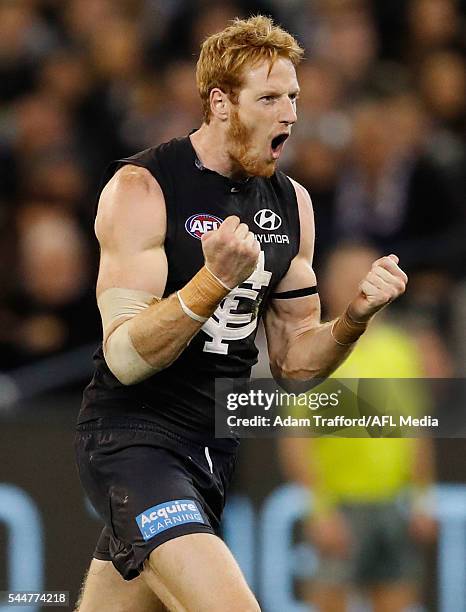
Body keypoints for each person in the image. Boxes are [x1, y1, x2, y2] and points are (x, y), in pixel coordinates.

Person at [74, 15, 407, 612]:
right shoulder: (143, 189)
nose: (292, 115)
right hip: (134, 440)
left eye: (295, 97)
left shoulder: (292, 204)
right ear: (220, 103)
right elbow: (123, 358)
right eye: (271, 98)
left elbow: (295, 367)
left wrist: (355, 316)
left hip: (210, 453)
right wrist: (211, 283)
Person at [279, 243, 437, 612]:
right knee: (331, 602)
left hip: (391, 505)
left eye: (361, 275)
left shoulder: (401, 349)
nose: (355, 284)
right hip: (340, 506)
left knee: (395, 600)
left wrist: (421, 499)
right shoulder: (316, 348)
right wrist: (320, 511)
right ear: (327, 285)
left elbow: (415, 429)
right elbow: (297, 439)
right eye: (346, 277)